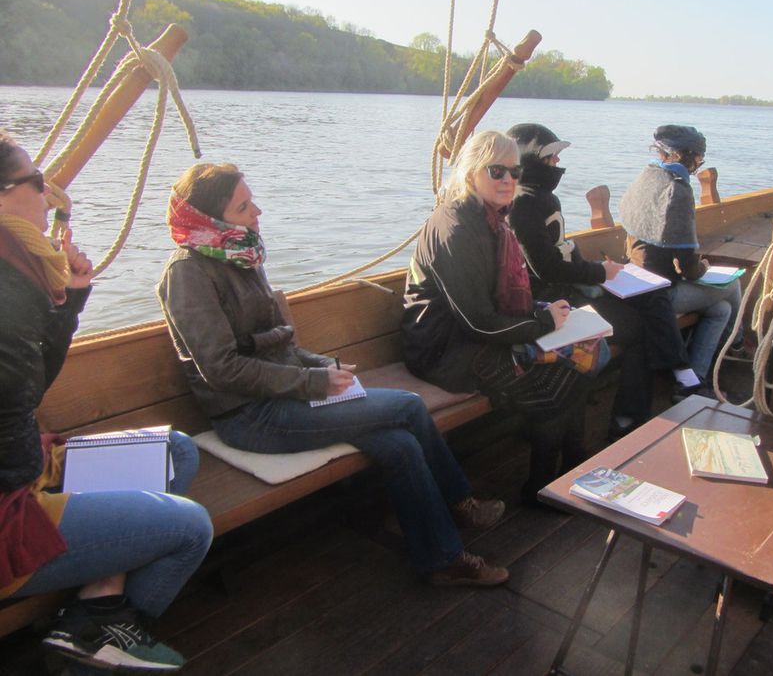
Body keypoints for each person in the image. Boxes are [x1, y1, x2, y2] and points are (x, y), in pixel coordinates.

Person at [156, 162, 507, 588]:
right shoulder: (188, 273)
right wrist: (313, 383)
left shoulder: (238, 253)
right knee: (410, 407)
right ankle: (459, 504)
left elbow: (275, 343)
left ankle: (440, 558)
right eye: (244, 206)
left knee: (398, 445)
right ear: (210, 218)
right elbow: (221, 368)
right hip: (250, 416)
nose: (257, 212)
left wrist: (320, 364)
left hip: (287, 396)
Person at [0, 131, 213, 674]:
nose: (48, 194)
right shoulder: (7, 280)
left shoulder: (18, 271)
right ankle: (107, 631)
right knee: (191, 528)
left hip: (23, 470)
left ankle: (91, 615)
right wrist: (41, 475)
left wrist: (70, 298)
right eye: (36, 182)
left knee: (176, 452)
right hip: (8, 507)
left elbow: (28, 384)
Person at [402, 130, 592, 505]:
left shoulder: (491, 219)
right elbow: (477, 321)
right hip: (444, 349)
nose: (508, 180)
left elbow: (493, 303)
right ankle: (541, 491)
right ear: (472, 172)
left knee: (579, 369)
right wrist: (542, 324)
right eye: (496, 171)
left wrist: (542, 314)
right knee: (555, 390)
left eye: (514, 172)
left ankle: (574, 468)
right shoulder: (456, 228)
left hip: (472, 335)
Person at [505, 123, 693, 438]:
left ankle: (671, 377)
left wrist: (596, 267)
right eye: (550, 159)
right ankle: (629, 417)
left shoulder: (539, 198)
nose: (556, 166)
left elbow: (560, 253)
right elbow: (545, 269)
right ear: (529, 160)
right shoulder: (524, 204)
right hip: (555, 301)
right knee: (637, 328)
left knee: (651, 295)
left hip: (571, 286)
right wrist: (599, 273)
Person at [620, 125, 744, 389]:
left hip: (636, 278)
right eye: (699, 159)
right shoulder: (678, 189)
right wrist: (704, 268)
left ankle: (691, 378)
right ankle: (738, 342)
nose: (698, 165)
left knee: (721, 310)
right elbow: (688, 266)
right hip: (661, 294)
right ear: (686, 156)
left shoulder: (646, 177)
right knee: (733, 284)